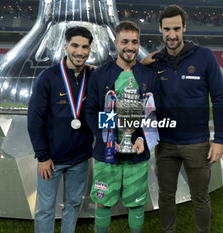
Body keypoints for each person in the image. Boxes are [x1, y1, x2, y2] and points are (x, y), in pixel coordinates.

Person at [142, 5, 223, 233]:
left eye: (177, 28)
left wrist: (219, 139)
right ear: (160, 29)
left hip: (197, 143)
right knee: (166, 195)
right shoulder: (154, 62)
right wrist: (140, 65)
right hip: (165, 143)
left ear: (184, 28)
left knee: (200, 196)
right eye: (167, 29)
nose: (172, 34)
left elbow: (219, 98)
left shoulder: (204, 56)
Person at [85, 21, 161, 233]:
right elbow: (90, 110)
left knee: (136, 203)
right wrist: (107, 139)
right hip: (106, 153)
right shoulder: (101, 75)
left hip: (137, 153)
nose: (130, 47)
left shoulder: (149, 77)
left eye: (135, 42)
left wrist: (140, 139)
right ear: (116, 43)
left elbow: (154, 113)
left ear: (139, 44)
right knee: (103, 201)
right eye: (125, 41)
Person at [27, 26, 94, 233]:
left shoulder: (93, 76)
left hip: (80, 159)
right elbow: (34, 120)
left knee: (73, 205)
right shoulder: (48, 77)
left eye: (84, 47)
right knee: (45, 209)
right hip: (51, 161)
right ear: (65, 47)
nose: (79, 51)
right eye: (75, 45)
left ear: (89, 50)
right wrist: (43, 156)